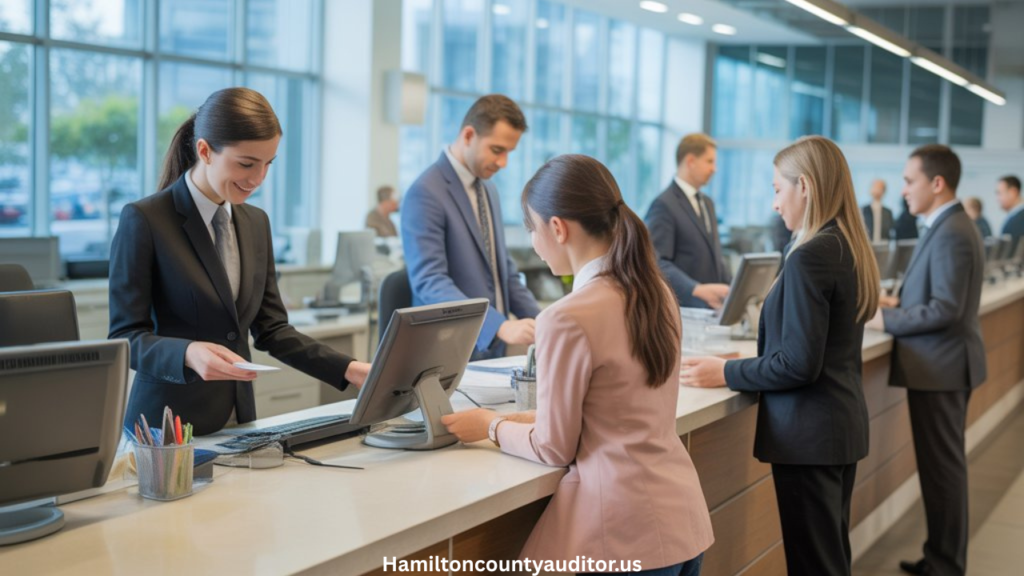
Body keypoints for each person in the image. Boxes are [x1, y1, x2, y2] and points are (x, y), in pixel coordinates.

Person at [442, 154, 713, 576]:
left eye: (532, 229)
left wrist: (489, 426)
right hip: (682, 522)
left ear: (557, 228)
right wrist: (521, 418)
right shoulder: (658, 293)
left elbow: (553, 448)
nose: (534, 244)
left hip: (623, 535)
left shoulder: (567, 317)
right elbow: (616, 407)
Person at [109, 88, 370, 436]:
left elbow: (273, 330)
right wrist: (187, 353)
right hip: (166, 429)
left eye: (268, 164)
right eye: (246, 164)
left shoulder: (255, 222)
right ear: (205, 151)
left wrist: (351, 369)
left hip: (239, 420)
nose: (257, 179)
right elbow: (126, 337)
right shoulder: (145, 219)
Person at [681, 136, 880, 576]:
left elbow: (798, 364)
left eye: (777, 189)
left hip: (809, 438)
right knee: (829, 560)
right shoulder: (844, 244)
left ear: (804, 186)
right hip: (836, 428)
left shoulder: (811, 255)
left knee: (815, 565)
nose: (774, 204)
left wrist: (726, 372)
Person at [868, 145, 986, 576]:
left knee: (943, 473)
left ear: (937, 184)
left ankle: (946, 565)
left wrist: (885, 319)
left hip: (942, 369)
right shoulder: (947, 224)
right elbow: (938, 296)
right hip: (942, 366)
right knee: (940, 472)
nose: (903, 190)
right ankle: (940, 556)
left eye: (908, 181)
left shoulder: (952, 229)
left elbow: (945, 310)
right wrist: (897, 301)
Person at [402, 94, 540, 360]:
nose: (503, 163)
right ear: (468, 135)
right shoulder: (426, 192)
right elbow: (430, 282)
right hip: (446, 353)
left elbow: (503, 270)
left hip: (491, 351)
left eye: (509, 153)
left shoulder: (488, 189)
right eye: (497, 150)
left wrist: (544, 321)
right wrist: (498, 325)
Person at [644, 133, 731, 309]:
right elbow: (655, 262)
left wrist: (734, 289)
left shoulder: (708, 203)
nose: (714, 169)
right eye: (709, 161)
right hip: (683, 310)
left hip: (711, 310)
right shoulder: (663, 204)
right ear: (690, 161)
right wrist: (695, 289)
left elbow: (715, 256)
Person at [861, 178, 894, 243]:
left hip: (884, 246)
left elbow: (890, 232)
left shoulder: (888, 212)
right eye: (874, 187)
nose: (876, 190)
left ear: (884, 191)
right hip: (867, 244)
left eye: (879, 188)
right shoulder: (863, 210)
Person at [996, 175, 1024, 250]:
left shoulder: (1018, 221)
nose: (997, 198)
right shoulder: (1015, 217)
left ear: (1013, 192)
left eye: (999, 193)